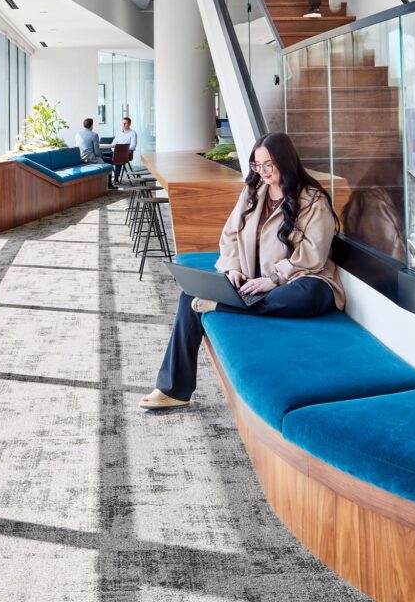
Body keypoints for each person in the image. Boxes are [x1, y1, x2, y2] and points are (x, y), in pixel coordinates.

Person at [140, 132, 344, 410]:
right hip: (253, 281)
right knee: (189, 297)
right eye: (257, 165)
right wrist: (233, 268)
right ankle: (173, 390)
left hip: (301, 279)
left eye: (269, 164)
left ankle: (223, 306)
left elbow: (313, 254)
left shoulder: (312, 200)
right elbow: (230, 236)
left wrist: (274, 279)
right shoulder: (252, 193)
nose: (263, 171)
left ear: (285, 161)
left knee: (304, 295)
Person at [102, 116, 138, 183]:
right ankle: (109, 171)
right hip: (115, 152)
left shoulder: (133, 133)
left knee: (118, 159)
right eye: (123, 123)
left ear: (129, 124)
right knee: (100, 155)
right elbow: (113, 144)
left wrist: (122, 150)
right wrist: (115, 151)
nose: (123, 125)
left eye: (125, 123)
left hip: (125, 154)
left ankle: (116, 179)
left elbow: (133, 146)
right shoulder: (118, 133)